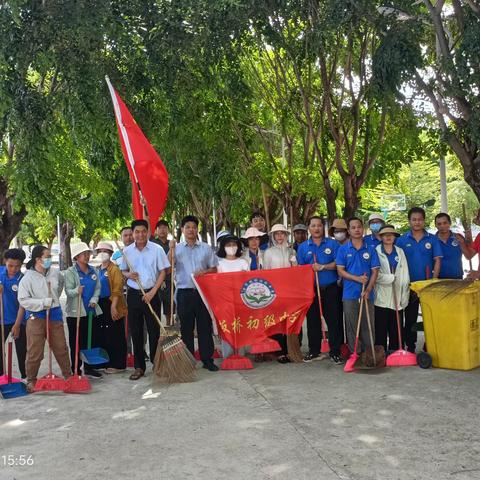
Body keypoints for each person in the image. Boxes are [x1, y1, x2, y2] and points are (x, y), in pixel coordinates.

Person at [17, 245, 71, 393]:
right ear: (37, 259)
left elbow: (59, 288)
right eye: (47, 257)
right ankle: (31, 380)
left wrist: (52, 300)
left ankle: (68, 376)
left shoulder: (55, 273)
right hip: (36, 316)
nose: (49, 259)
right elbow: (23, 300)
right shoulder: (27, 278)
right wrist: (42, 303)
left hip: (54, 313)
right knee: (35, 351)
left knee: (61, 347)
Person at [121, 219, 170, 380]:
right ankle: (139, 367)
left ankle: (157, 365)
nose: (140, 234)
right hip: (134, 294)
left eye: (143, 231)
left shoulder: (156, 250)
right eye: (137, 232)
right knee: (136, 332)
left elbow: (163, 272)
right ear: (133, 233)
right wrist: (129, 275)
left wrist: (153, 292)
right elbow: (123, 271)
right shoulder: (127, 251)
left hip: (152, 293)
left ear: (148, 232)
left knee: (154, 331)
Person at [171, 215, 219, 372]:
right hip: (184, 293)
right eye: (187, 227)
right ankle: (188, 360)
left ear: (197, 229)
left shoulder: (206, 248)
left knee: (205, 326)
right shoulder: (176, 248)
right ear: (182, 230)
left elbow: (214, 268)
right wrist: (170, 250)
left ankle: (207, 359)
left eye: (193, 227)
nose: (191, 229)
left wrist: (205, 272)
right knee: (186, 328)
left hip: (203, 292)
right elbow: (167, 266)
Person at [297, 216, 343, 364]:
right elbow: (300, 269)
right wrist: (310, 269)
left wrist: (323, 267)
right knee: (313, 321)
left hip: (331, 288)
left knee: (334, 320)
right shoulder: (303, 247)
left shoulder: (333, 244)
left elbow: (339, 263)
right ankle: (314, 351)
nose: (316, 228)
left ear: (323, 227)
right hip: (312, 289)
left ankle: (335, 351)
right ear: (309, 228)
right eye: (313, 225)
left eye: (319, 225)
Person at [396, 207, 442, 352]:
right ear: (409, 221)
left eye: (420, 219)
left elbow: (437, 260)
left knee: (430, 317)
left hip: (428, 285)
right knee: (410, 318)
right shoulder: (401, 240)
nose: (417, 222)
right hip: (409, 286)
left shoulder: (432, 239)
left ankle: (431, 346)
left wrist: (433, 281)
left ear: (424, 220)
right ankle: (410, 346)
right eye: (414, 219)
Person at [336, 217, 380, 354]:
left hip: (367, 293)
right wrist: (356, 278)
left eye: (359, 227)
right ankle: (355, 353)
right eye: (353, 227)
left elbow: (375, 271)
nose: (356, 230)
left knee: (368, 324)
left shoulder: (371, 249)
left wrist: (368, 289)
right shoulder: (343, 249)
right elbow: (340, 271)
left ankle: (369, 353)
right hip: (349, 293)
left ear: (363, 228)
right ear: (348, 231)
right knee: (351, 325)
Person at [64, 242, 103, 379]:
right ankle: (75, 369)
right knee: (76, 342)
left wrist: (94, 299)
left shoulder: (94, 270)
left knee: (90, 340)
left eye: (88, 253)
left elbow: (98, 287)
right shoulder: (70, 272)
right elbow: (68, 291)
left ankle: (89, 367)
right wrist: (76, 291)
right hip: (75, 313)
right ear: (76, 256)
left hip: (90, 311)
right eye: (83, 254)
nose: (86, 256)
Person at [263, 224, 296, 363]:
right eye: (277, 234)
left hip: (290, 290)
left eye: (282, 233)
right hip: (275, 291)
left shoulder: (291, 251)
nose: (279, 236)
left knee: (289, 320)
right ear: (273, 236)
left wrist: (294, 262)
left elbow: (296, 272)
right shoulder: (269, 252)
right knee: (277, 321)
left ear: (286, 235)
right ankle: (280, 351)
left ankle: (291, 349)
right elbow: (266, 272)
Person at [374, 226, 410, 352]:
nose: (388, 237)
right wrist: (390, 278)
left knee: (396, 327)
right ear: (380, 237)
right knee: (381, 327)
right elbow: (374, 275)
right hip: (381, 296)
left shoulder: (400, 251)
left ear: (395, 237)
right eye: (385, 234)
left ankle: (395, 351)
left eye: (391, 234)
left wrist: (405, 293)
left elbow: (405, 273)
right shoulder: (376, 251)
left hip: (398, 294)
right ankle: (381, 353)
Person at [95, 241, 128, 373]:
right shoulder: (97, 269)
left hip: (112, 303)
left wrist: (113, 306)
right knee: (104, 334)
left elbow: (117, 289)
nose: (102, 254)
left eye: (105, 251)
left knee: (115, 334)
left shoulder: (114, 269)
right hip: (99, 304)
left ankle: (118, 364)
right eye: (100, 251)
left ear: (110, 253)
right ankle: (105, 362)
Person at [216, 235, 248, 358]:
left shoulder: (243, 262)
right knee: (227, 326)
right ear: (223, 247)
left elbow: (248, 282)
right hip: (225, 300)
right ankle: (228, 354)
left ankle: (241, 353)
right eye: (228, 245)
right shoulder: (219, 263)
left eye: (234, 245)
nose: (231, 247)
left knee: (240, 326)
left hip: (241, 300)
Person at [0, 248, 27, 379]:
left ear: (21, 265)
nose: (13, 269)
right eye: (10, 265)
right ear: (5, 261)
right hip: (1, 320)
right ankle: (1, 379)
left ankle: (25, 378)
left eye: (17, 266)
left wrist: (17, 324)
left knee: (22, 351)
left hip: (18, 320)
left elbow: (23, 304)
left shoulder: (23, 279)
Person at [150, 219, 173, 323]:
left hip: (169, 278)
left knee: (169, 304)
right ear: (156, 231)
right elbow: (147, 223)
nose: (163, 230)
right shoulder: (152, 242)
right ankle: (158, 328)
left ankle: (169, 325)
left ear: (168, 230)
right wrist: (145, 206)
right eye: (160, 228)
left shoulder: (171, 244)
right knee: (156, 304)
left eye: (165, 228)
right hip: (155, 279)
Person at [435, 212, 469, 279]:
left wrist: (462, 243)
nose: (442, 226)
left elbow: (468, 256)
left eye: (445, 223)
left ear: (450, 223)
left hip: (457, 278)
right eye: (439, 224)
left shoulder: (459, 237)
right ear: (436, 225)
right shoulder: (432, 240)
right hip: (438, 279)